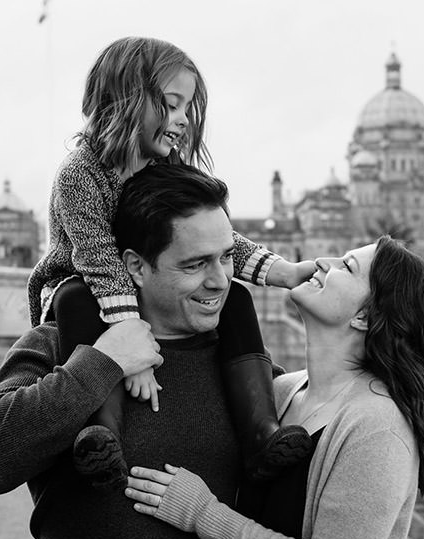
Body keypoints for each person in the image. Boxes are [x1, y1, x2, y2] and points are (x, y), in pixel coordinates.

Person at [0, 164, 280, 539]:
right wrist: (103, 362)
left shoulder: (242, 364)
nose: (220, 280)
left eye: (226, 257)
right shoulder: (62, 343)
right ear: (135, 266)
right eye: (195, 264)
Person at [25, 36, 314, 485]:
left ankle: (261, 433)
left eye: (187, 109)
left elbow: (213, 239)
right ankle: (100, 434)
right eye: (171, 105)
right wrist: (132, 354)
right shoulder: (80, 174)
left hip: (140, 294)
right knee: (77, 299)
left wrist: (283, 272)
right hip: (84, 292)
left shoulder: (163, 168)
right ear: (124, 101)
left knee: (235, 297)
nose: (181, 121)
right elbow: (98, 258)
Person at [125, 236, 424, 539]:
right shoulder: (281, 392)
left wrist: (204, 513)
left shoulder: (377, 424)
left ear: (364, 316)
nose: (321, 262)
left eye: (346, 267)